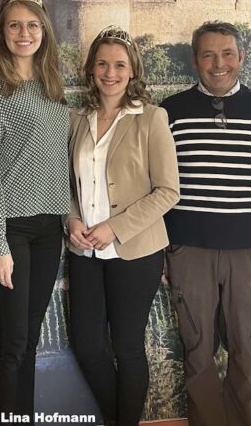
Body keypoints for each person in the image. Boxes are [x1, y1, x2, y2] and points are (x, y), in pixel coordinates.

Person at [159, 21, 251, 426]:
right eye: (208, 54)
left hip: (248, 253)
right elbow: (159, 187)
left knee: (248, 350)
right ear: (195, 61)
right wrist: (165, 251)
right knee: (197, 353)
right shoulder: (170, 112)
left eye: (227, 54)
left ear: (241, 58)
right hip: (188, 251)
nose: (218, 64)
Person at [66, 26, 180, 426]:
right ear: (91, 69)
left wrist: (115, 227)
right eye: (102, 63)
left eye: (119, 64)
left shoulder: (151, 118)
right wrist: (71, 219)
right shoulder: (77, 119)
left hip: (135, 250)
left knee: (128, 348)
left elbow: (168, 191)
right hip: (84, 252)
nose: (109, 72)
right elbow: (65, 184)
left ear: (132, 71)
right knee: (86, 345)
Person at [0, 0, 69, 421]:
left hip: (49, 230)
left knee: (28, 342)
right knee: (10, 344)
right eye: (14, 25)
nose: (23, 33)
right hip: (9, 229)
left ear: (43, 30)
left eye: (31, 25)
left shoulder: (53, 87)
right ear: (1, 33)